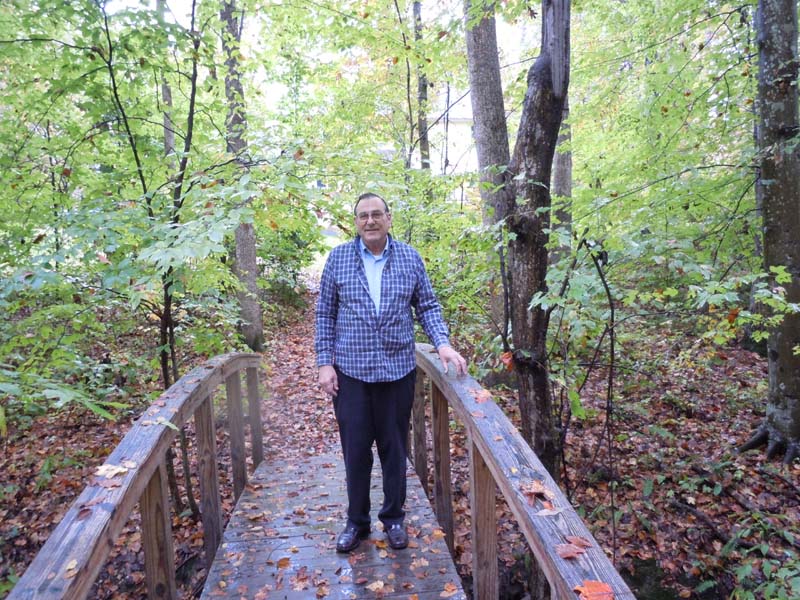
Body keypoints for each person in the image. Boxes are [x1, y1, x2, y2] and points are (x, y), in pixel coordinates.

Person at [315, 192, 467, 553]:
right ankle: (357, 522)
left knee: (394, 450)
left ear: (389, 218)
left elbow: (427, 305)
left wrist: (442, 343)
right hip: (350, 373)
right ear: (356, 222)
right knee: (355, 452)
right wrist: (324, 362)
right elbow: (324, 313)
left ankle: (394, 518)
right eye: (363, 216)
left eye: (376, 214)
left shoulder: (410, 259)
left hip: (397, 371)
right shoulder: (337, 259)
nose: (370, 221)